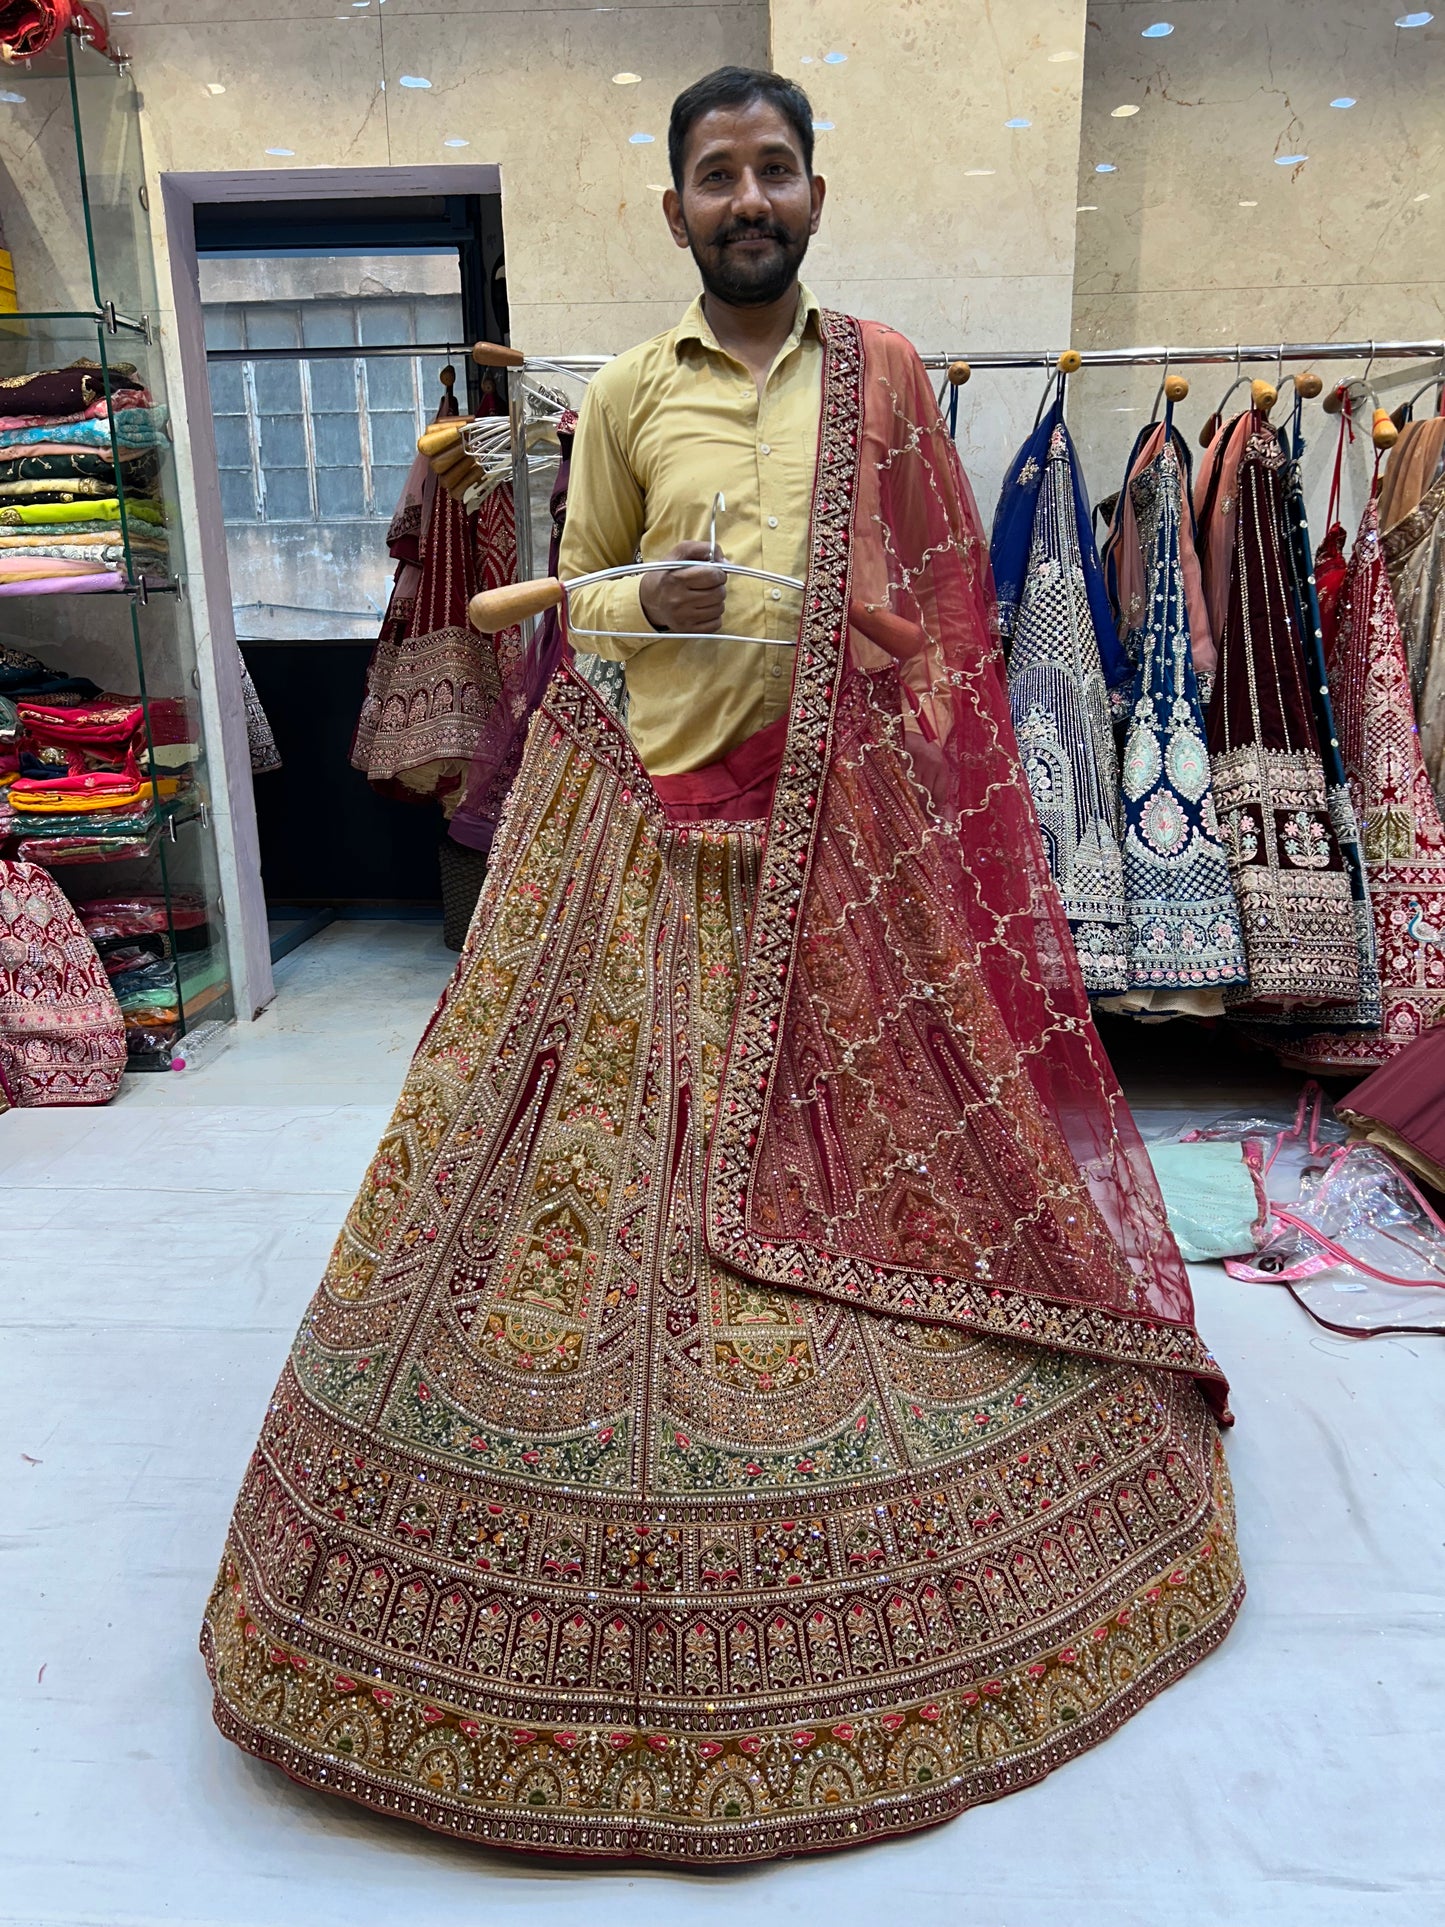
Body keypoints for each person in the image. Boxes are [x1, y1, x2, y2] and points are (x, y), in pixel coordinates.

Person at [201, 65, 1242, 1863]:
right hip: (648, 833)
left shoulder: (887, 380)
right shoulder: (620, 395)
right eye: (714, 174)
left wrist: (907, 685)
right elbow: (563, 591)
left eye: (772, 169)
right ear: (673, 210)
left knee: (906, 1165)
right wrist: (639, 602)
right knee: (580, 1182)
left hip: (842, 852)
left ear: (814, 199)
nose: (745, 196)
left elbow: (941, 637)